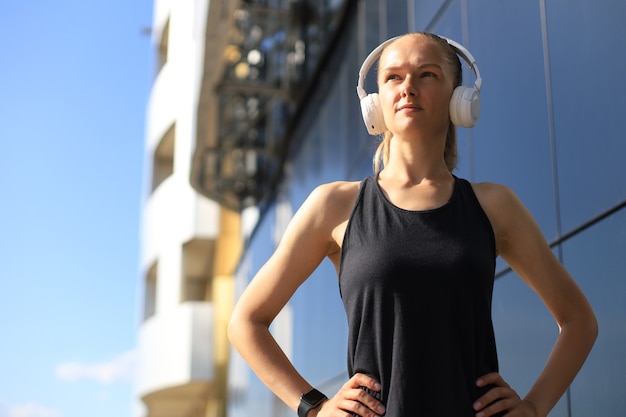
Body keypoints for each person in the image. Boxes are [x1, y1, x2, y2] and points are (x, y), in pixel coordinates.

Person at [227, 32, 598, 417]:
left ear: (459, 98)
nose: (408, 87)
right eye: (393, 77)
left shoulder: (494, 206)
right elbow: (246, 323)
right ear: (375, 104)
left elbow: (579, 320)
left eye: (427, 74)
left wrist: (535, 407)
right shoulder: (334, 205)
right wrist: (314, 409)